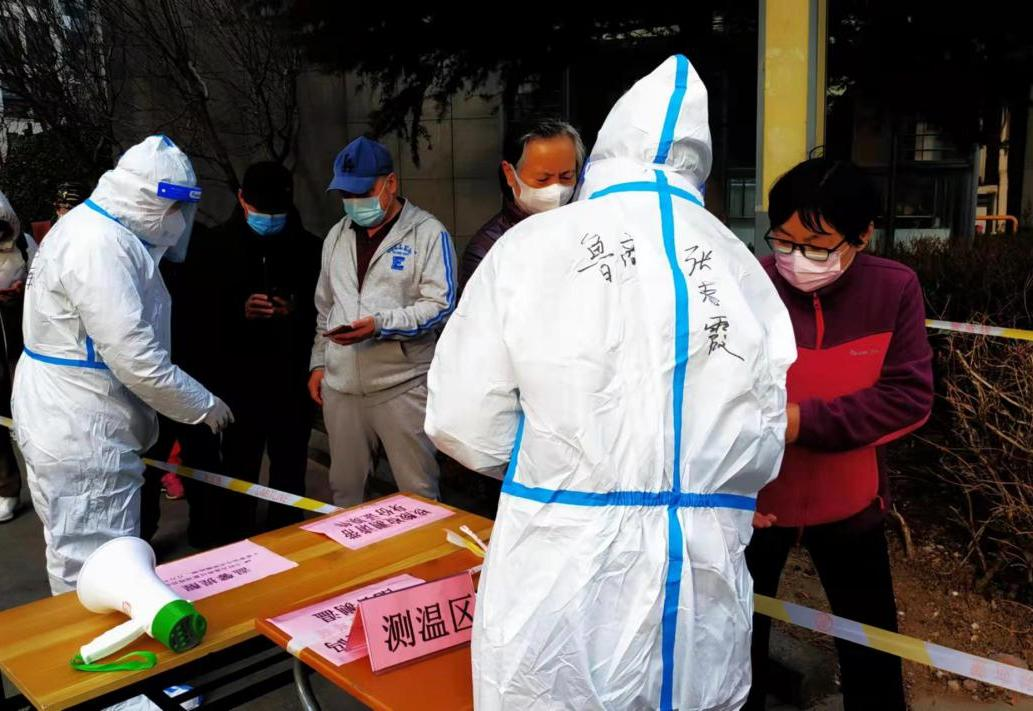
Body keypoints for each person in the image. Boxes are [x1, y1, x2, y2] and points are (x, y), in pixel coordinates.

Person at [425, 56, 796, 710]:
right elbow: (761, 442)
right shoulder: (739, 268)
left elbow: (462, 421)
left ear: (602, 156)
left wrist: (558, 466)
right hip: (701, 576)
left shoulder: (530, 248)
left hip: (561, 560)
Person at [745, 158, 934, 710]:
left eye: (818, 246)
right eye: (784, 241)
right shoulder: (747, 285)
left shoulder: (893, 288)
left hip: (850, 502)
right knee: (736, 647)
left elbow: (907, 397)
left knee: (871, 650)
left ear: (863, 235)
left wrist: (802, 421)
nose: (796, 260)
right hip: (754, 504)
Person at [12, 135, 234, 594]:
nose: (178, 220)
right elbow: (134, 355)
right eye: (173, 207)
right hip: (82, 425)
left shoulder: (96, 230)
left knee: (85, 552)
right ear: (145, 197)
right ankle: (97, 640)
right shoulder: (100, 246)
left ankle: (95, 632)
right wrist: (202, 404)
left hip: (72, 410)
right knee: (95, 564)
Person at [309, 136, 457, 508]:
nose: (354, 202)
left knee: (418, 493)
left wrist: (380, 324)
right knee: (345, 493)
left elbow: (440, 305)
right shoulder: (337, 235)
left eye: (363, 192)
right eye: (346, 194)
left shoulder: (428, 233)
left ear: (390, 183)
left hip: (402, 385)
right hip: (342, 387)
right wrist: (319, 363)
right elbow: (325, 306)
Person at [199, 161, 321, 538]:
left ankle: (289, 539)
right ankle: (237, 539)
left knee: (290, 467)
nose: (268, 219)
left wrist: (294, 310)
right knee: (239, 466)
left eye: (276, 212)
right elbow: (201, 315)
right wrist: (240, 311)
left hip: (291, 379)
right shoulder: (216, 247)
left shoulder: (309, 248)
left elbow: (324, 311)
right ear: (241, 200)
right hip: (238, 382)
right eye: (260, 211)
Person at [459, 118, 584, 290]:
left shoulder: (585, 228)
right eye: (543, 179)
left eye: (566, 177)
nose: (556, 189)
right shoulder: (487, 249)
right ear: (510, 174)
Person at [0, 191, 26, 523]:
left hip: (24, 350)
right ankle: (7, 489)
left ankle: (48, 485)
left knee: (34, 421)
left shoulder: (26, 247)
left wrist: (21, 294)